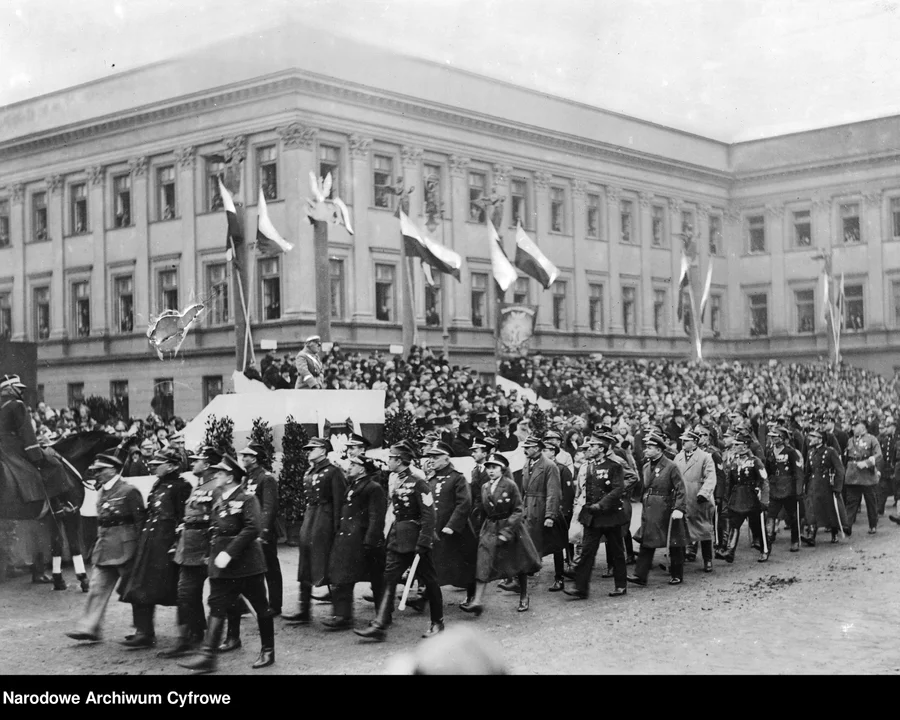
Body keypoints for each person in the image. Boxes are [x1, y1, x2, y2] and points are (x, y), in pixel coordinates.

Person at [178, 455, 275, 673]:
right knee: (216, 605)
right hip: (222, 565)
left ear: (230, 477)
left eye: (220, 473)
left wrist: (229, 553)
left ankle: (268, 650)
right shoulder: (218, 496)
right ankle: (207, 657)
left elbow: (252, 529)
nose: (215, 476)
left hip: (247, 565)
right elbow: (214, 527)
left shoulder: (247, 499)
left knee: (261, 606)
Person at [354, 443, 444, 642]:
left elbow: (429, 515)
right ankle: (380, 623)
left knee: (430, 581)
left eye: (391, 458)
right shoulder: (396, 481)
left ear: (400, 461)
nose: (388, 461)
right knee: (389, 578)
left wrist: (424, 541)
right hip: (398, 539)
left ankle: (437, 622)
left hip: (417, 542)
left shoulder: (418, 483)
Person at [66, 452, 146, 643]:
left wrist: (140, 550)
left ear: (113, 470)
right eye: (96, 470)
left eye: (101, 470)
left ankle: (144, 631)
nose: (97, 474)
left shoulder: (129, 491)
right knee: (96, 587)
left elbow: (140, 522)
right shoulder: (101, 491)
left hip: (127, 549)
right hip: (105, 548)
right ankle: (89, 628)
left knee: (134, 591)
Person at [119, 446, 191, 648]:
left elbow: (183, 518)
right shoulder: (159, 484)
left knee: (181, 591)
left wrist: (176, 545)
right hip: (150, 545)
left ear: (171, 465)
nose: (152, 466)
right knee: (139, 587)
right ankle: (144, 631)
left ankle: (191, 632)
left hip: (167, 547)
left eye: (158, 464)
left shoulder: (181, 487)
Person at [158, 445, 221, 659]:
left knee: (221, 595)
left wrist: (213, 550)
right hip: (190, 547)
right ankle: (190, 636)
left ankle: (225, 638)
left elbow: (220, 520)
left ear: (208, 464)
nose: (192, 463)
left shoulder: (216, 486)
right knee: (186, 593)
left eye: (197, 460)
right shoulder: (199, 485)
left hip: (206, 548)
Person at [460, 453, 540, 615]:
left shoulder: (510, 485)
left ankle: (524, 596)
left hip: (510, 527)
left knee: (518, 563)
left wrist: (507, 531)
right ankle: (477, 601)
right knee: (483, 562)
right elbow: (481, 510)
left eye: (494, 467)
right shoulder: (484, 487)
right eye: (488, 467)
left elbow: (518, 510)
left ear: (502, 469)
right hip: (489, 528)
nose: (490, 471)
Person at [283, 437, 346, 625]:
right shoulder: (311, 471)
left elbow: (339, 501)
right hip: (311, 518)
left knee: (329, 564)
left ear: (323, 451)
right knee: (305, 564)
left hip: (325, 520)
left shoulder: (333, 472)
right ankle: (304, 610)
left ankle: (341, 613)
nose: (308, 451)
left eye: (313, 448)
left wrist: (337, 529)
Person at [325, 456, 386, 630]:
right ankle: (343, 616)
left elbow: (376, 517)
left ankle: (383, 616)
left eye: (354, 465)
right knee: (341, 575)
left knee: (377, 580)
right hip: (347, 539)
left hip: (363, 540)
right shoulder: (352, 486)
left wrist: (370, 540)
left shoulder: (374, 488)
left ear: (363, 469)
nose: (349, 467)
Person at [565, 433, 629, 599]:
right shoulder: (590, 467)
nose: (589, 448)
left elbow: (617, 490)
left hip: (610, 516)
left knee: (616, 551)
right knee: (587, 552)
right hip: (592, 517)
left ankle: (621, 585)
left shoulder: (615, 467)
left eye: (593, 446)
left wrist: (601, 505)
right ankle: (581, 588)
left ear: (601, 449)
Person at [503, 436, 564, 594]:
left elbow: (553, 492)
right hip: (529, 509)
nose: (525, 450)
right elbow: (524, 490)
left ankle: (559, 578)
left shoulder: (550, 466)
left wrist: (550, 515)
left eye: (528, 447)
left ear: (537, 448)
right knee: (525, 543)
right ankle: (518, 578)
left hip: (544, 509)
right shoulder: (527, 464)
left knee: (555, 544)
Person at [628, 431, 689, 587]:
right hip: (650, 508)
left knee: (674, 541)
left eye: (650, 447)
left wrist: (679, 508)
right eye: (646, 447)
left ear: (659, 450)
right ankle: (640, 575)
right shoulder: (646, 466)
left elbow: (681, 489)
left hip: (667, 508)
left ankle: (677, 574)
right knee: (647, 540)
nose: (646, 450)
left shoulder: (671, 466)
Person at [423, 441, 477, 603]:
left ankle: (471, 596)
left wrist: (451, 526)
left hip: (457, 530)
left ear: (446, 459)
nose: (432, 460)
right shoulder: (431, 479)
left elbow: (464, 503)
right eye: (430, 457)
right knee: (434, 563)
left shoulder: (457, 478)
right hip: (436, 528)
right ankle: (426, 595)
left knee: (464, 564)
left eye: (436, 457)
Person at [237, 443, 282, 616]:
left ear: (254, 458)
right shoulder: (246, 478)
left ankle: (275, 605)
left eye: (246, 456)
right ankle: (247, 604)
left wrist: (262, 533)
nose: (243, 458)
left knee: (270, 568)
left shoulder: (266, 478)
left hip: (264, 532)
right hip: (249, 531)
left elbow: (268, 508)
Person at [719, 433, 769, 563]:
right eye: (735, 444)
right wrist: (727, 499)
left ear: (746, 447)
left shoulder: (755, 462)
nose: (735, 446)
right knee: (735, 524)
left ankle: (765, 549)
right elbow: (729, 482)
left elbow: (764, 481)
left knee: (757, 526)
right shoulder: (734, 461)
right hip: (737, 498)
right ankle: (730, 551)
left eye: (738, 444)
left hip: (751, 497)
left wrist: (764, 500)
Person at [674, 430, 717, 572]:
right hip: (683, 497)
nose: (683, 443)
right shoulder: (678, 457)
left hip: (699, 497)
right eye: (683, 440)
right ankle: (680, 560)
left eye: (686, 440)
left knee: (704, 529)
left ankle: (708, 559)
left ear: (694, 442)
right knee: (681, 529)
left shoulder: (705, 457)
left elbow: (711, 477)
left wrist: (704, 493)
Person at [541, 437, 575, 592]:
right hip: (545, 511)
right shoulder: (542, 468)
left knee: (560, 545)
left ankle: (561, 576)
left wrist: (563, 512)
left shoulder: (561, 469)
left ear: (553, 452)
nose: (542, 453)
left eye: (545, 450)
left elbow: (568, 494)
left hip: (560, 512)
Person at [804, 428, 849, 544]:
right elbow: (807, 471)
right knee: (812, 509)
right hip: (813, 485)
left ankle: (834, 533)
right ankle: (811, 535)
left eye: (814, 437)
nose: (811, 439)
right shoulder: (810, 453)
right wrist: (804, 485)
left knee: (830, 510)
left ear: (820, 439)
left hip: (827, 485)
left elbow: (840, 470)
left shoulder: (830, 452)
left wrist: (838, 487)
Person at [764, 427, 804, 553]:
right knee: (770, 516)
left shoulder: (791, 452)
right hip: (774, 489)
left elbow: (798, 473)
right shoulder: (769, 452)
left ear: (783, 438)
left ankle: (795, 540)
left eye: (776, 436)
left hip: (788, 489)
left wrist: (798, 491)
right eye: (772, 436)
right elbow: (767, 470)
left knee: (792, 516)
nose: (773, 439)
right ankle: (767, 544)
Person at [844, 418, 882, 535]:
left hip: (867, 475)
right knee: (851, 501)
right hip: (853, 474)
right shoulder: (850, 440)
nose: (854, 427)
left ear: (863, 427)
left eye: (856, 425)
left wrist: (867, 463)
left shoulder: (871, 439)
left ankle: (873, 525)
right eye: (853, 425)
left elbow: (878, 455)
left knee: (871, 501)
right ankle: (848, 525)